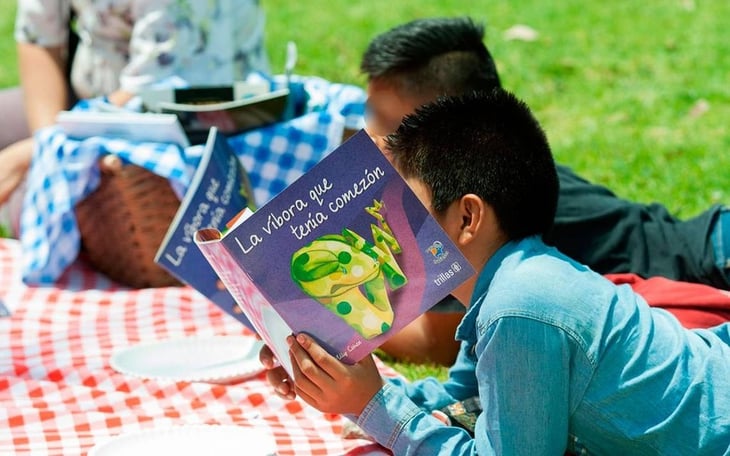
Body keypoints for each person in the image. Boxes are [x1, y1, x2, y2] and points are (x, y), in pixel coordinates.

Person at [270, 89, 730, 455]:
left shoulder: (519, 307)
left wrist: (375, 407)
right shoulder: (510, 279)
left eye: (406, 206)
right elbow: (466, 393)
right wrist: (336, 368)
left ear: (468, 218)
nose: (388, 226)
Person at [358, 16, 730, 365]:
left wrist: (330, 309)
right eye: (370, 114)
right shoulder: (503, 165)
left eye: (389, 125)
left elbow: (438, 342)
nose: (374, 140)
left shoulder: (480, 206)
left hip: (710, 269)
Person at [0, 0, 270, 235]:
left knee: (27, 206)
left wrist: (31, 156)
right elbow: (38, 38)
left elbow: (152, 90)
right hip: (90, 104)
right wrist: (48, 144)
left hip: (188, 123)